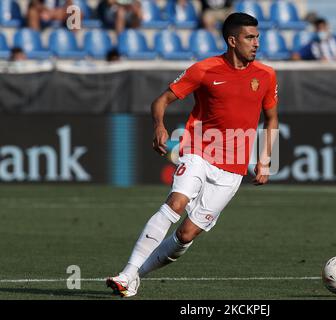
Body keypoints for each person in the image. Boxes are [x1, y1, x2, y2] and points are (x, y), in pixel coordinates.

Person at [106, 12, 279, 298]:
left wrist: (264, 160)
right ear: (232, 41)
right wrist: (159, 126)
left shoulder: (266, 75)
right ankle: (126, 272)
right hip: (198, 151)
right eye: (250, 37)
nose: (256, 43)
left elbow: (271, 119)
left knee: (186, 235)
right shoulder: (204, 69)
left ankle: (136, 276)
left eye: (258, 36)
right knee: (175, 202)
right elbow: (161, 100)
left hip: (232, 170)